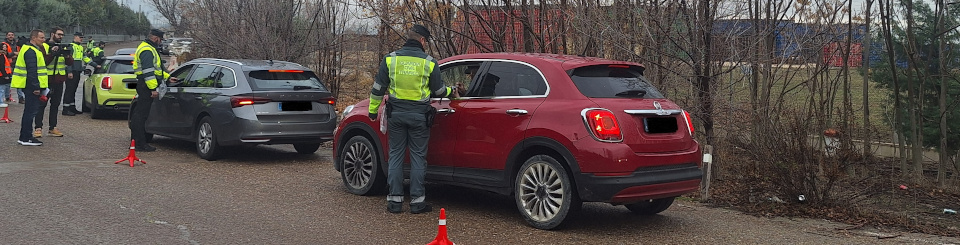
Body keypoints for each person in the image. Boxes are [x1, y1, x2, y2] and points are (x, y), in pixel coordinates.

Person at [368, 24, 457, 214]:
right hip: (419, 117)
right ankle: (417, 203)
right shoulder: (429, 62)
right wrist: (453, 92)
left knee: (396, 156)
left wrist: (372, 111)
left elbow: (377, 89)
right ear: (423, 41)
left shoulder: (390, 60)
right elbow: (439, 91)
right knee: (417, 158)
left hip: (396, 115)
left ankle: (394, 201)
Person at [130, 29, 176, 152]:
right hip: (146, 86)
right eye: (160, 40)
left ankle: (136, 142)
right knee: (141, 115)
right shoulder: (147, 50)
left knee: (140, 114)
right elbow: (148, 72)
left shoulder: (149, 48)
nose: (161, 43)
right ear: (155, 38)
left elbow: (158, 70)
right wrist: (153, 89)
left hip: (145, 85)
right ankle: (139, 143)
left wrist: (168, 77)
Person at [12, 29, 49, 146]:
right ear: (34, 38)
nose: (44, 40)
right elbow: (32, 71)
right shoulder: (31, 51)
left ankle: (25, 136)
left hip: (29, 85)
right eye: (41, 38)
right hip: (31, 87)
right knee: (30, 112)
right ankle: (26, 137)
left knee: (29, 111)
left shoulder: (29, 49)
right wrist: (36, 87)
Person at [35, 27, 72, 138]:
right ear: (52, 34)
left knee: (55, 105)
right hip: (46, 81)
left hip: (59, 81)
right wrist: (53, 53)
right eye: (59, 34)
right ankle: (38, 128)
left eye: (62, 35)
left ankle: (53, 127)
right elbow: (44, 62)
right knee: (41, 105)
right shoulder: (44, 46)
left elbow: (70, 63)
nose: (61, 36)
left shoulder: (63, 46)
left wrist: (67, 55)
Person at [61, 32, 90, 116]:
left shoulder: (80, 47)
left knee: (74, 90)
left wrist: (95, 64)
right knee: (69, 90)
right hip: (71, 72)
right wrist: (69, 71)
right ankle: (65, 109)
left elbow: (85, 58)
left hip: (77, 72)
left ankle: (72, 107)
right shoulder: (71, 46)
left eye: (82, 37)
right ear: (75, 37)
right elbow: (67, 60)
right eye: (80, 37)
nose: (81, 39)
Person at [3, 31, 20, 103]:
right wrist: (14, 53)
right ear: (6, 36)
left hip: (17, 64)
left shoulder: (17, 44)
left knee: (19, 81)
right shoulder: (3, 44)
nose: (11, 36)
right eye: (9, 35)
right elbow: (5, 54)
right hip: (8, 66)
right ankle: (7, 97)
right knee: (7, 83)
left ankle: (21, 97)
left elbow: (20, 53)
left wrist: (13, 54)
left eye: (12, 35)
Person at [0, 31, 11, 107]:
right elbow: (2, 66)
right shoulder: (1, 56)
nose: (6, 48)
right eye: (4, 47)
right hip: (2, 75)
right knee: (1, 89)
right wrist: (5, 74)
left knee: (3, 89)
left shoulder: (3, 55)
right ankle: (0, 102)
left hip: (3, 74)